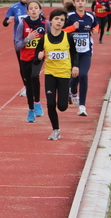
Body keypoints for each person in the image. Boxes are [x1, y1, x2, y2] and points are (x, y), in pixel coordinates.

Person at [33, 8, 79, 140]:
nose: (59, 21)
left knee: (62, 107)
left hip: (64, 74)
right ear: (51, 20)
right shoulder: (44, 40)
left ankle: (68, 92)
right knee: (51, 104)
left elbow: (74, 53)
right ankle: (56, 130)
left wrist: (75, 66)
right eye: (57, 19)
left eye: (62, 20)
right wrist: (40, 57)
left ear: (64, 23)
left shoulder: (68, 37)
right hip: (50, 74)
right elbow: (35, 60)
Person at [64, 0, 98, 117]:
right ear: (74, 3)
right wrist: (72, 28)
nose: (80, 3)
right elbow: (61, 31)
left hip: (86, 52)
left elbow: (96, 25)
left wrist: (95, 30)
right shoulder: (69, 16)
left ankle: (82, 106)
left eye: (82, 0)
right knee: (74, 76)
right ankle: (73, 92)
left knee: (83, 75)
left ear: (86, 2)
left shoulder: (90, 16)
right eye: (77, 0)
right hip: (72, 53)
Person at [14, 0, 46, 123]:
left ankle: (37, 102)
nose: (33, 10)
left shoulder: (45, 24)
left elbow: (49, 39)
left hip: (37, 57)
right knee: (28, 84)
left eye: (36, 8)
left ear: (40, 10)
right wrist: (28, 38)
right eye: (31, 8)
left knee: (34, 76)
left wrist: (44, 51)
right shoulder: (23, 24)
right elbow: (17, 45)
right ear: (27, 11)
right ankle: (31, 109)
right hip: (25, 58)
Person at [3, 0, 32, 96]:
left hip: (33, 40)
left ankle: (33, 84)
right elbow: (4, 23)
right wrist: (8, 21)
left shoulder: (34, 7)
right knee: (23, 65)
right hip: (19, 41)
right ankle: (27, 86)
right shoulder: (14, 8)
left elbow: (42, 21)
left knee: (34, 64)